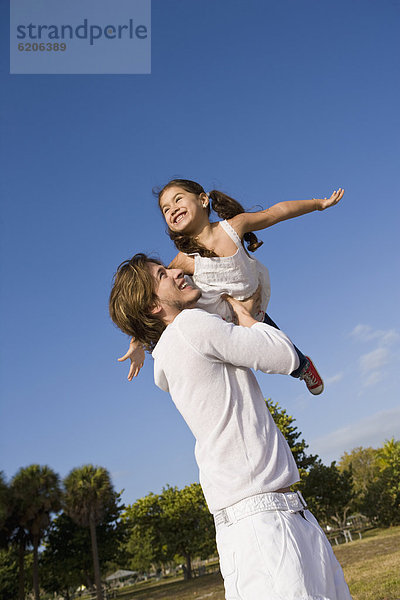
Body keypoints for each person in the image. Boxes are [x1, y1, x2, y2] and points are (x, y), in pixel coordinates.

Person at [109, 253, 352, 600]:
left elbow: (201, 301)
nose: (178, 272)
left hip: (268, 516)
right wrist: (245, 316)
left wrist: (138, 339)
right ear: (152, 307)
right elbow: (284, 355)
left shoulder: (173, 347)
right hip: (265, 523)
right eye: (164, 274)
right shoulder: (192, 327)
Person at [120, 179, 344, 396]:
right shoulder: (184, 259)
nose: (172, 210)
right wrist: (137, 341)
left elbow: (276, 212)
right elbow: (153, 294)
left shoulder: (233, 227)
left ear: (203, 200)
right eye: (166, 209)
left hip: (253, 307)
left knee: (286, 356)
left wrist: (318, 204)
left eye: (178, 200)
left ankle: (304, 367)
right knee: (241, 365)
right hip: (219, 318)